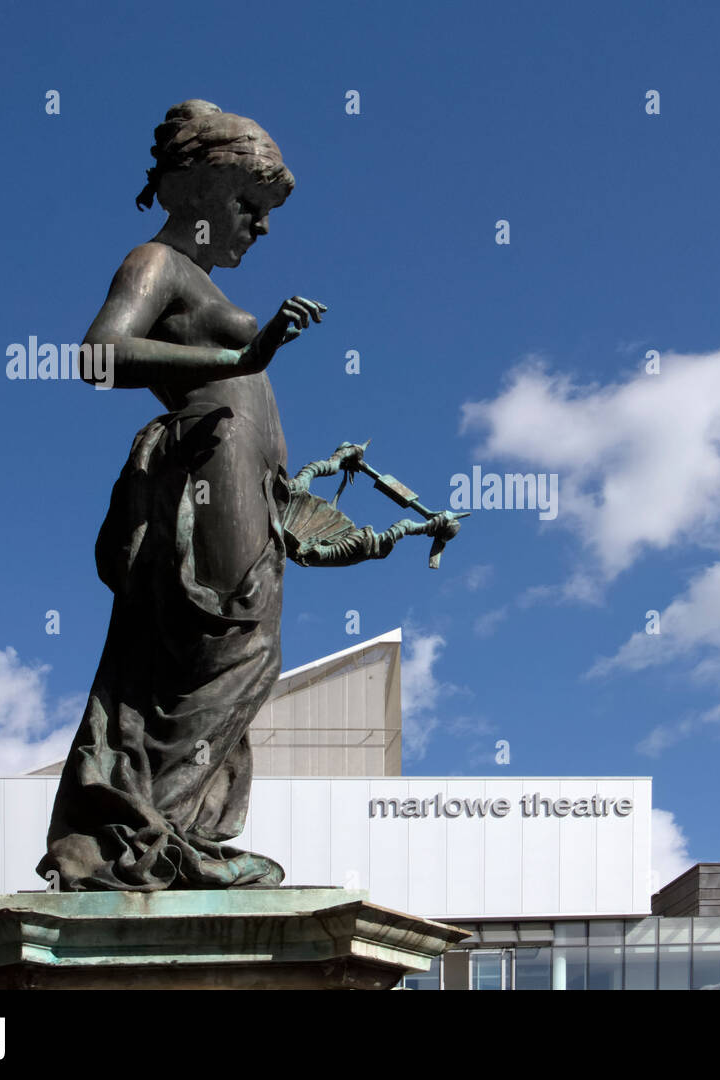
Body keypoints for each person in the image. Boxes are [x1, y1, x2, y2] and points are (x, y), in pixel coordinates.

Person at [37, 101, 452, 891]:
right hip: (206, 468)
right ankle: (150, 837)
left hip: (244, 479)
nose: (259, 228)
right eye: (249, 206)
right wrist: (241, 356)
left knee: (231, 650)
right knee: (232, 645)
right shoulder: (153, 262)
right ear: (197, 188)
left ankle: (172, 833)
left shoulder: (193, 278)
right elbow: (96, 357)